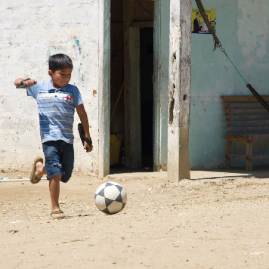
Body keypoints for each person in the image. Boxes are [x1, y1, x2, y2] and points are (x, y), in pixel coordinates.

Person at [14, 53, 93, 219]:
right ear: (51, 73)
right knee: (56, 172)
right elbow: (16, 82)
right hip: (49, 139)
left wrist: (87, 136)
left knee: (65, 174)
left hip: (67, 139)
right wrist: (25, 82)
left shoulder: (72, 90)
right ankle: (55, 208)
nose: (65, 78)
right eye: (61, 74)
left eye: (69, 74)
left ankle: (41, 169)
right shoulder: (39, 87)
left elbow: (82, 114)